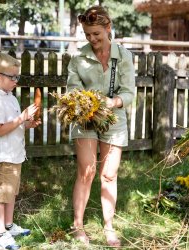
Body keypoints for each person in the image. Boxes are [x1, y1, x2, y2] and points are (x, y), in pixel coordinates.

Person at [67, 5, 135, 247]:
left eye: (96, 33)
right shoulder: (79, 57)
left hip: (113, 118)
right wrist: (86, 104)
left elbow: (128, 93)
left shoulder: (124, 56)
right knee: (87, 171)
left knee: (109, 174)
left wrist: (113, 102)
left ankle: (108, 227)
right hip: (85, 118)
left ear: (108, 28)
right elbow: (72, 90)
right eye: (87, 34)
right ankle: (78, 226)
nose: (91, 39)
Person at [0, 52, 41, 250]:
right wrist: (21, 118)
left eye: (18, 76)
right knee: (1, 196)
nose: (16, 80)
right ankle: (0, 235)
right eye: (12, 77)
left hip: (14, 155)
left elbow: (12, 126)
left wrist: (27, 124)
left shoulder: (10, 98)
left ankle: (8, 226)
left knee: (11, 194)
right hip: (2, 157)